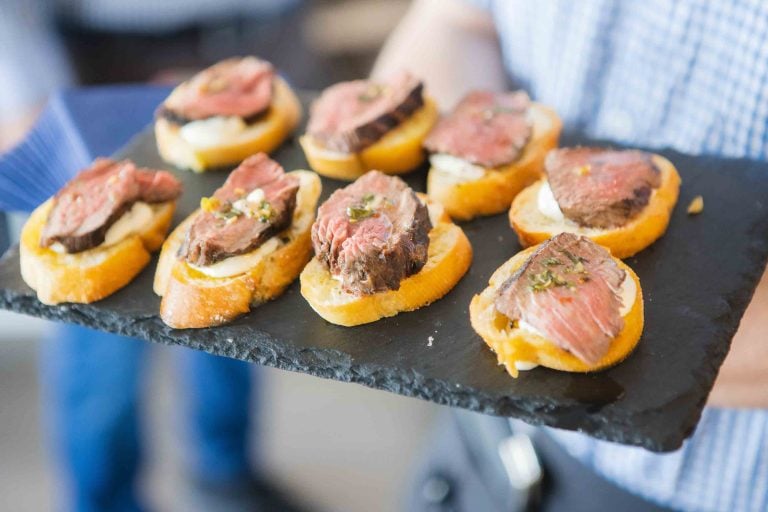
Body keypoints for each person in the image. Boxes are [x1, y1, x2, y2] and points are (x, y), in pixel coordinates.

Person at [373, 1, 768, 511]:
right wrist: (477, 147)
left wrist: (605, 326)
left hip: (694, 489)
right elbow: (458, 21)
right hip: (483, 443)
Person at [0, 2, 308, 511]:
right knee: (99, 335)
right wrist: (21, 92)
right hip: (99, 71)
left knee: (237, 273)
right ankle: (105, 500)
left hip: (257, 48)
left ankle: (226, 474)